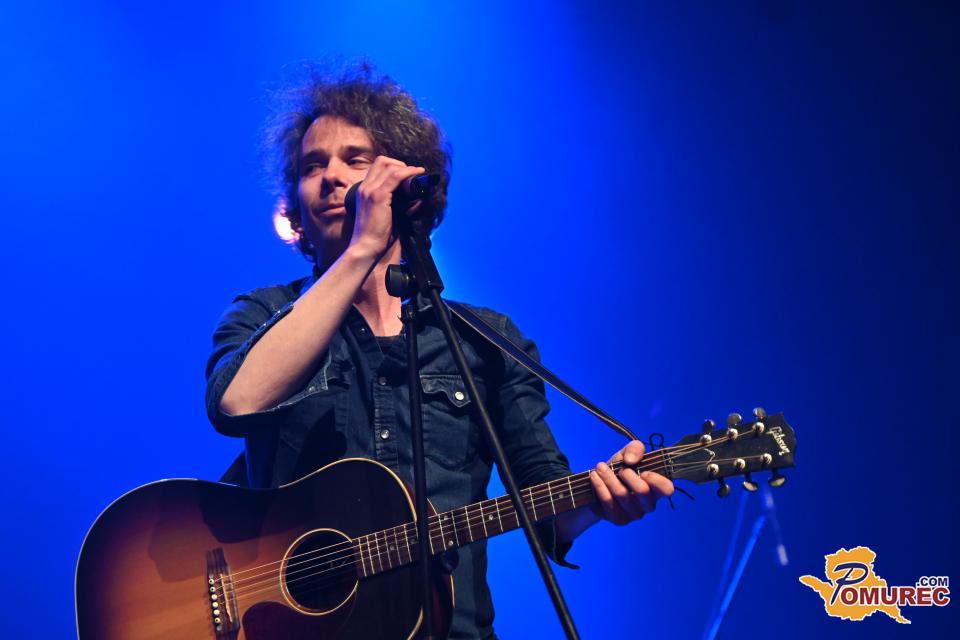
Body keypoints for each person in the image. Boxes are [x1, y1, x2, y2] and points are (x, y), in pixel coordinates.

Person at [205, 63, 674, 639]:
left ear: (408, 187)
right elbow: (236, 404)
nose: (330, 178)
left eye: (355, 160)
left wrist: (601, 501)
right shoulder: (263, 314)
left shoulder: (485, 340)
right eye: (312, 166)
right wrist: (360, 250)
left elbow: (546, 509)